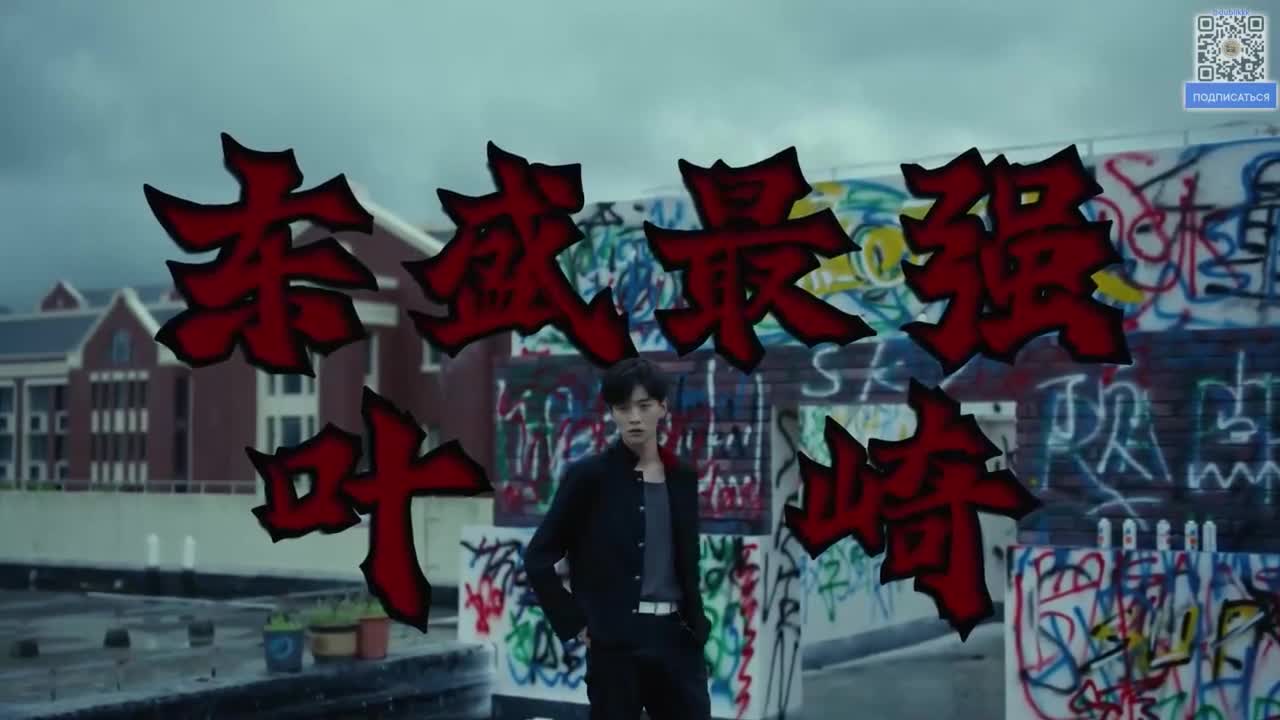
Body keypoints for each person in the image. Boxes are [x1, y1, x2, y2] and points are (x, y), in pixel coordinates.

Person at [522, 357, 711, 719]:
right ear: (612, 413)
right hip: (615, 646)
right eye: (624, 408)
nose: (634, 418)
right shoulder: (589, 477)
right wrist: (576, 623)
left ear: (662, 408)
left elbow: (687, 560)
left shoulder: (683, 477)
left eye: (644, 406)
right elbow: (538, 557)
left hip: (677, 639)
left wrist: (697, 628)